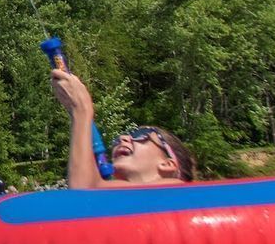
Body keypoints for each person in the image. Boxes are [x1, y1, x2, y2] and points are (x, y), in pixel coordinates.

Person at [49, 67, 194, 187]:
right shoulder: (120, 198)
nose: (122, 138)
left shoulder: (175, 187)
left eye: (141, 134)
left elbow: (86, 191)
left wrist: (81, 109)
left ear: (167, 164)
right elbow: (91, 186)